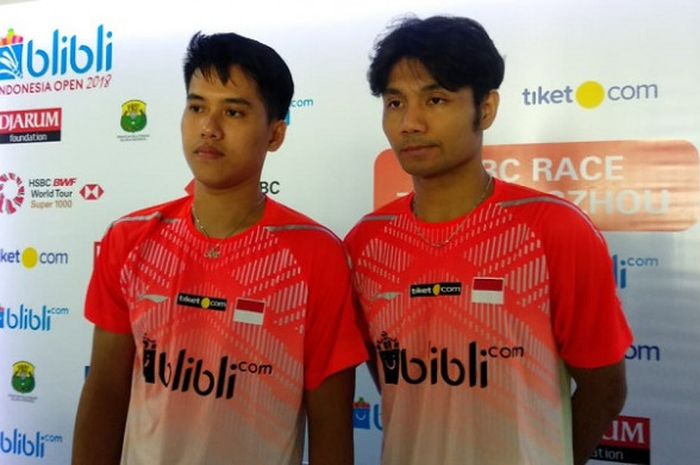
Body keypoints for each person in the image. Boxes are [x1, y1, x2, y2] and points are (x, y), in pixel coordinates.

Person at [345, 16, 632, 465]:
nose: (410, 122)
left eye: (435, 99)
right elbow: (390, 380)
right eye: (395, 102)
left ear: (487, 108)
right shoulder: (364, 244)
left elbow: (605, 388)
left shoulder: (553, 230)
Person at [72, 31, 367, 465]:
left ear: (276, 133)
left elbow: (331, 422)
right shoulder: (131, 238)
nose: (209, 127)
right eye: (196, 107)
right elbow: (105, 390)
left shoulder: (316, 255)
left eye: (233, 111)